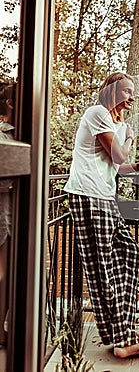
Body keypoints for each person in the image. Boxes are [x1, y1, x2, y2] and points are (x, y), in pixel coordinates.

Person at [64, 72, 139, 358]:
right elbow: (119, 156)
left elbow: (119, 167)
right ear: (112, 90)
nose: (133, 96)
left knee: (128, 254)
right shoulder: (97, 112)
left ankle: (123, 332)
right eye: (128, 91)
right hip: (88, 194)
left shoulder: (114, 122)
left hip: (104, 197)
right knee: (103, 268)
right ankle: (123, 341)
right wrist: (130, 138)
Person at [0, 83, 15, 347]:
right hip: (3, 215)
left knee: (11, 276)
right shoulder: (2, 135)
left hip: (15, 218)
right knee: (2, 276)